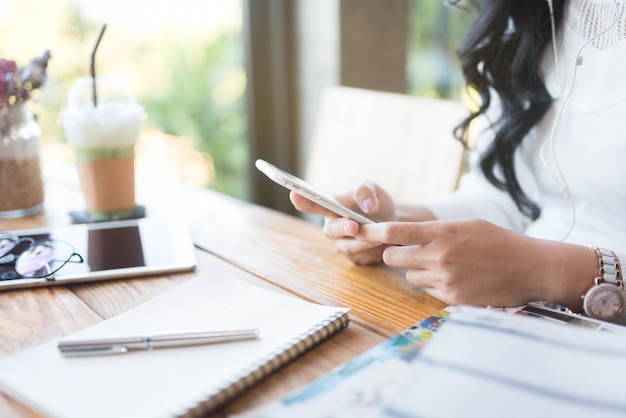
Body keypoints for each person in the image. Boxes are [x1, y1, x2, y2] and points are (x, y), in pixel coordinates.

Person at [290, 0, 626, 323]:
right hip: (517, 319)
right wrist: (401, 226)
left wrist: (546, 270)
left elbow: (524, 258)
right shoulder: (526, 14)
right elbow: (504, 197)